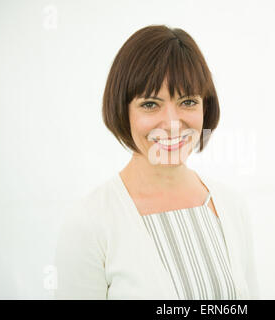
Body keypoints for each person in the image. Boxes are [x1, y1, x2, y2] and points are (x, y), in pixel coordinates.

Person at [54, 24, 259, 300]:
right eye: (150, 104)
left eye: (188, 101)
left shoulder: (231, 207)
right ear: (122, 110)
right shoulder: (90, 222)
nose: (173, 124)